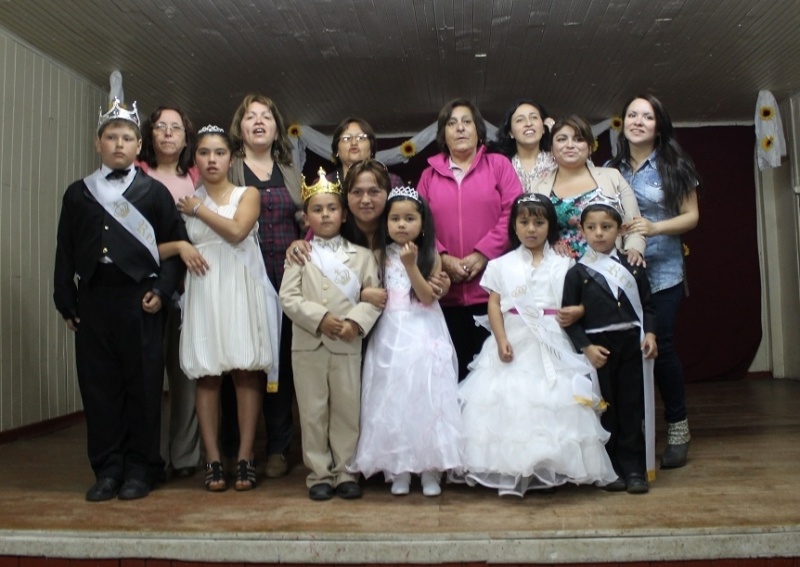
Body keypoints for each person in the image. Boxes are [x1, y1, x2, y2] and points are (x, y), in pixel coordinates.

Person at [53, 99, 186, 501]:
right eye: (111, 136)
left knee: (143, 388)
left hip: (139, 300)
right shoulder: (78, 194)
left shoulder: (154, 192)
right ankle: (108, 468)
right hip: (94, 300)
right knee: (99, 388)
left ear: (137, 144)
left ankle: (141, 469)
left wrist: (162, 292)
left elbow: (177, 250)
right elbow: (64, 250)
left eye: (127, 137)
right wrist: (66, 300)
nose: (118, 144)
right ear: (98, 143)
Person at [457, 193, 616, 497]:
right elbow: (494, 304)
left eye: (539, 222)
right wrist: (501, 339)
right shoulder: (501, 264)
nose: (531, 229)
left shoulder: (565, 264)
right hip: (514, 337)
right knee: (512, 399)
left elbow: (578, 302)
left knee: (553, 398)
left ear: (550, 226)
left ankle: (552, 463)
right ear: (514, 226)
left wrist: (578, 311)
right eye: (524, 222)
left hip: (553, 338)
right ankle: (511, 465)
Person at [163, 125, 279, 492]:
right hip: (205, 289)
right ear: (194, 158)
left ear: (232, 157)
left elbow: (236, 231)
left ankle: (244, 457)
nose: (212, 159)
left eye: (219, 152)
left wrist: (197, 209)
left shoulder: (246, 194)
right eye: (204, 153)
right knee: (208, 375)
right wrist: (181, 248)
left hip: (240, 285)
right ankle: (212, 460)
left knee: (246, 371)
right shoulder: (183, 201)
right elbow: (157, 245)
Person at [349, 186, 462, 497]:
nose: (401, 225)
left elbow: (427, 297)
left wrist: (411, 265)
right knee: (392, 397)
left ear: (423, 224)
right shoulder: (377, 255)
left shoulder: (431, 257)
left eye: (409, 218)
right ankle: (397, 467)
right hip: (389, 332)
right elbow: (363, 288)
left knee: (426, 396)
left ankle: (429, 469)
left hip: (424, 329)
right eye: (395, 218)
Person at [607, 95, 700, 469]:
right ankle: (634, 431)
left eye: (647, 116)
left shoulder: (675, 164)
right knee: (625, 351)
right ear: (623, 123)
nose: (638, 122)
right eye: (632, 115)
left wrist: (654, 227)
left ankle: (678, 427)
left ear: (658, 124)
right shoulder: (611, 169)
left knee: (661, 347)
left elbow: (692, 216)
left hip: (663, 272)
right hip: (622, 274)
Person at [279, 169, 382, 501]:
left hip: (347, 343)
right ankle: (319, 473)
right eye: (317, 209)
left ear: (343, 213)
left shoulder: (362, 256)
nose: (325, 215)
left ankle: (346, 470)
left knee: (346, 410)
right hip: (308, 344)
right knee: (312, 411)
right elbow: (288, 298)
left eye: (331, 208)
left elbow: (374, 296)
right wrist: (320, 318)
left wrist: (355, 322)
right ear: (306, 216)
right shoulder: (300, 255)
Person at [417, 98, 523, 380]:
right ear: (443, 134)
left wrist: (483, 253)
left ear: (478, 130)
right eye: (452, 123)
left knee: (494, 378)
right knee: (453, 377)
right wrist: (442, 257)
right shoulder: (428, 176)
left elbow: (513, 213)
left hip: (492, 293)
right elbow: (418, 224)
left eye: (467, 122)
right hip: (445, 295)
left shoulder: (498, 165)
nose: (460, 128)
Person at [226, 94, 303, 478]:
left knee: (282, 366)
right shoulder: (230, 168)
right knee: (246, 362)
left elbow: (306, 218)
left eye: (266, 117)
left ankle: (278, 447)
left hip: (288, 279)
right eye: (250, 117)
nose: (258, 122)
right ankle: (240, 449)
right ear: (239, 127)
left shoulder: (290, 169)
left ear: (276, 127)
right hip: (246, 279)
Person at [562, 201, 658, 494]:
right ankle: (610, 468)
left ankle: (634, 469)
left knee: (631, 406)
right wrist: (587, 348)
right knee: (606, 409)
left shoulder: (634, 266)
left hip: (631, 345)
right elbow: (568, 318)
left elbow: (648, 306)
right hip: (598, 350)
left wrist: (651, 334)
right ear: (582, 231)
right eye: (591, 228)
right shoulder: (577, 273)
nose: (599, 234)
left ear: (620, 230)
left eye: (606, 227)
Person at [137, 105, 201, 479]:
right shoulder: (137, 175)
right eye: (160, 127)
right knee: (148, 377)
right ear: (150, 135)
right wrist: (177, 248)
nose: (167, 134)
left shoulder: (196, 176)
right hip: (148, 285)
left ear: (185, 137)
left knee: (187, 376)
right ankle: (151, 456)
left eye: (175, 128)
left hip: (192, 287)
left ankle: (185, 456)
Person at [530, 115, 645, 262]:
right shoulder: (537, 187)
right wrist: (548, 244)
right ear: (552, 149)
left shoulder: (613, 177)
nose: (570, 145)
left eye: (578, 139)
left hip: (611, 271)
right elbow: (530, 232)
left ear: (590, 147)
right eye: (561, 139)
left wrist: (633, 250)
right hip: (557, 272)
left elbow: (634, 224)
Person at [489, 99, 558, 192]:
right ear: (510, 132)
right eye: (520, 120)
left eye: (534, 117)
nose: (529, 124)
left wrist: (555, 132)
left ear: (543, 128)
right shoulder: (500, 164)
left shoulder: (557, 161)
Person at [329, 117, 404, 188]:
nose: (354, 142)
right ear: (336, 150)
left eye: (361, 138)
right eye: (346, 138)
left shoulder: (391, 181)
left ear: (371, 148)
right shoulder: (324, 182)